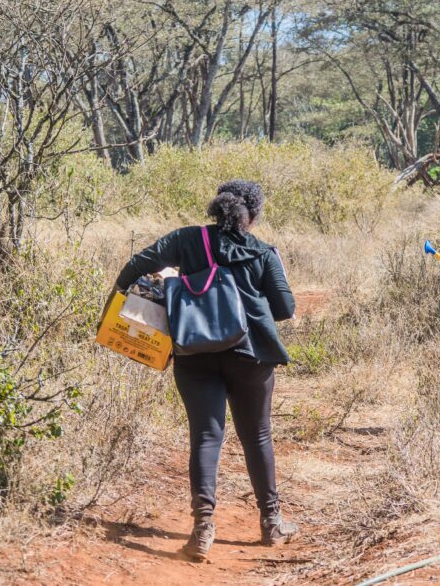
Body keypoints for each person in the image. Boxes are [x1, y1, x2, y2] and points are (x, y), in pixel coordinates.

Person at [108, 179, 298, 561]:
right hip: (250, 356)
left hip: (193, 353)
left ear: (217, 208)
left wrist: (133, 306)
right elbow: (285, 308)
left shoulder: (186, 239)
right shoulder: (262, 253)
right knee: (257, 436)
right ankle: (271, 523)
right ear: (254, 215)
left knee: (206, 437)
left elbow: (135, 267)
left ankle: (202, 529)